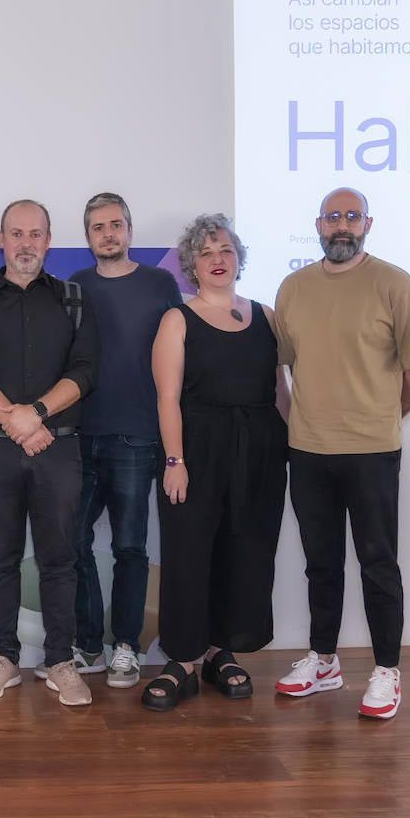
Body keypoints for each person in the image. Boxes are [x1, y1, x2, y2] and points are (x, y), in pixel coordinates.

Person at [272, 188, 410, 720]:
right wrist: (302, 421)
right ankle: (324, 661)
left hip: (371, 452)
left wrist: (382, 418)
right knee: (321, 564)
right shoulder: (293, 288)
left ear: (368, 223)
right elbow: (284, 370)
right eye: (333, 217)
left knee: (377, 562)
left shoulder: (396, 285)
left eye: (352, 216)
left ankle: (387, 670)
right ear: (318, 224)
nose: (342, 225)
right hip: (309, 451)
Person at [0, 199, 100, 707]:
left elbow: (84, 371)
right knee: (0, 560)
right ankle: (2, 659)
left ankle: (60, 661)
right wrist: (18, 423)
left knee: (60, 559)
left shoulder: (73, 299)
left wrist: (33, 414)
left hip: (57, 450)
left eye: (35, 234)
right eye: (16, 234)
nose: (26, 244)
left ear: (48, 241)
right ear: (1, 239)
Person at [142, 214, 289, 711]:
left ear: (239, 258)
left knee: (244, 552)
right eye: (206, 253)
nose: (217, 259)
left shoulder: (266, 316)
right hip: (197, 452)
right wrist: (175, 460)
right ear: (192, 266)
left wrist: (291, 449)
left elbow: (280, 393)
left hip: (261, 453)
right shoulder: (177, 319)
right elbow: (167, 399)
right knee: (189, 553)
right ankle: (181, 660)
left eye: (225, 250)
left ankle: (218, 652)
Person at [68, 193, 182, 688]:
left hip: (138, 437)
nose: (108, 234)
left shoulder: (160, 283)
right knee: (71, 541)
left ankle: (126, 648)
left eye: (116, 225)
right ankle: (89, 644)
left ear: (130, 231)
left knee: (131, 548)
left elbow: (181, 357)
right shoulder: (76, 285)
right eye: (98, 227)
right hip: (78, 436)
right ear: (88, 236)